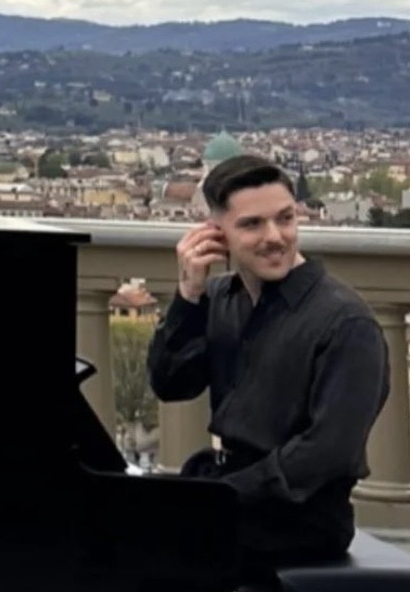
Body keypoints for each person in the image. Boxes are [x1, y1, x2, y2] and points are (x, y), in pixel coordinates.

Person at [147, 153, 390, 578]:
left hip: (300, 522)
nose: (275, 236)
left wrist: (218, 497)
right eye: (252, 224)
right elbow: (171, 383)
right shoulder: (222, 297)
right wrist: (187, 297)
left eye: (285, 218)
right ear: (215, 234)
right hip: (234, 498)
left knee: (141, 554)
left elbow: (327, 454)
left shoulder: (347, 323)